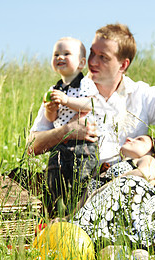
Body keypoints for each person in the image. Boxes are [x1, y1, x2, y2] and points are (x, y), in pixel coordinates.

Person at [28, 24, 155, 165]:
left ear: (123, 65)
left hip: (130, 179)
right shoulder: (68, 90)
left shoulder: (140, 94)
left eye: (102, 57)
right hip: (80, 183)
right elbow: (30, 146)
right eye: (92, 53)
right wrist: (65, 131)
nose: (92, 62)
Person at [40, 37, 104, 216]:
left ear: (81, 63)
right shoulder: (54, 88)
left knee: (81, 180)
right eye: (56, 54)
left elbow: (90, 105)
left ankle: (78, 215)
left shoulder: (86, 83)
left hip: (82, 144)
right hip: (59, 143)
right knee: (54, 178)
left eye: (66, 54)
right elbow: (52, 118)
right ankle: (58, 213)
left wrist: (67, 100)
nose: (60, 57)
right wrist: (50, 109)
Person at [69, 134, 155, 250]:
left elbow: (146, 174)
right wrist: (66, 218)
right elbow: (83, 204)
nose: (129, 139)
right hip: (98, 218)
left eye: (140, 140)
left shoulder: (146, 159)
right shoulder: (106, 169)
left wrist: (107, 186)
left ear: (150, 151)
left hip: (125, 218)